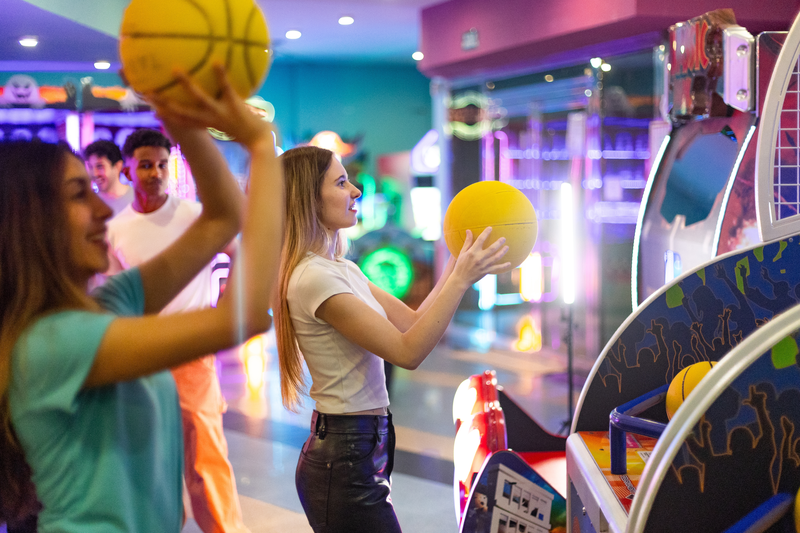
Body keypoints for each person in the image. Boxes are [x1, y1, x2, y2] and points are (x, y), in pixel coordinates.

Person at [0, 65, 282, 532]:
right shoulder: (52, 343)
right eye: (77, 194)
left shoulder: (108, 305)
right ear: (31, 220)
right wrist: (260, 149)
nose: (99, 211)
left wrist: (177, 116)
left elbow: (223, 220)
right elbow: (244, 316)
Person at [274, 146, 510, 533]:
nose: (356, 191)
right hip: (345, 455)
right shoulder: (313, 277)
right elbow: (408, 351)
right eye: (340, 182)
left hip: (363, 447)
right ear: (307, 199)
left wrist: (456, 264)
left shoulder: (342, 268)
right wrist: (461, 279)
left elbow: (412, 322)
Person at [106, 126, 249, 533]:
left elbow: (239, 254)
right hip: (144, 353)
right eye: (145, 165)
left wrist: (225, 309)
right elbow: (115, 294)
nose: (155, 172)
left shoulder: (193, 216)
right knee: (150, 460)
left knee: (206, 456)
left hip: (192, 351)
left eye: (162, 165)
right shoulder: (117, 230)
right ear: (129, 171)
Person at [83, 139, 134, 216]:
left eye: (100, 166)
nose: (94, 173)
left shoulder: (138, 199)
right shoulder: (88, 203)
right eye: (90, 167)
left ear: (118, 166)